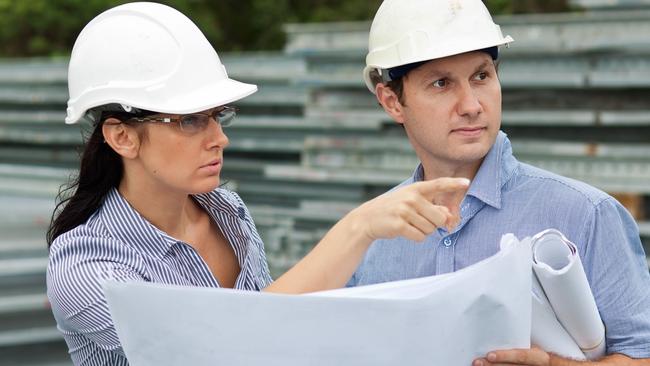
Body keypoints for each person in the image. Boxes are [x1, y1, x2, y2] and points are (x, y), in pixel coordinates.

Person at [45, 2, 470, 365]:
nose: (219, 137)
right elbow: (222, 350)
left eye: (218, 115)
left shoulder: (228, 213)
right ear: (122, 136)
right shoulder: (85, 266)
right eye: (190, 120)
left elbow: (274, 342)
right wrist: (358, 229)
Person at [350, 0, 650, 365]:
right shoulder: (370, 238)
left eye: (481, 76)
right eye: (442, 83)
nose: (472, 105)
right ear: (392, 101)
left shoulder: (588, 215)